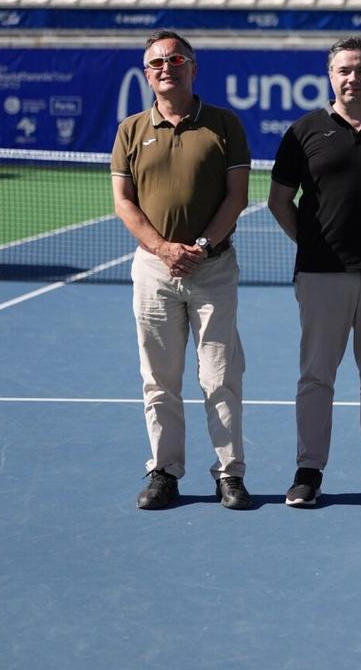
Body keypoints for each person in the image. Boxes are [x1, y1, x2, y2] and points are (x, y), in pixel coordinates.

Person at [110, 29, 251, 510]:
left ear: (193, 67)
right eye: (156, 63)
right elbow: (124, 202)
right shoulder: (130, 129)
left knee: (221, 375)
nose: (166, 68)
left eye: (176, 59)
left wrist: (201, 245)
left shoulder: (225, 124)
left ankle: (229, 474)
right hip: (154, 271)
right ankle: (164, 472)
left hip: (213, 269)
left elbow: (237, 196)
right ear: (147, 74)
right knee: (159, 378)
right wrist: (164, 249)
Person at [267, 36, 361, 507]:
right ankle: (309, 470)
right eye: (345, 70)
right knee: (315, 377)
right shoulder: (303, 131)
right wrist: (311, 243)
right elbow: (280, 200)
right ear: (331, 76)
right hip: (321, 276)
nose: (353, 78)